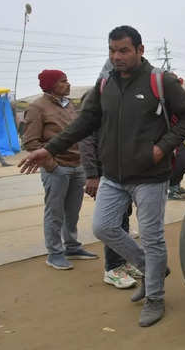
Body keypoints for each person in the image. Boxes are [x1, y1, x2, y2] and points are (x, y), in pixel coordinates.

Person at [19, 25, 185, 327]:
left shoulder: (160, 81)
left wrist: (161, 148)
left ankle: (154, 296)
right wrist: (49, 149)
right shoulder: (103, 86)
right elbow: (83, 124)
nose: (117, 56)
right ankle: (151, 267)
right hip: (114, 176)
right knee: (102, 227)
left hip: (150, 175)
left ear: (140, 50)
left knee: (152, 237)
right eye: (112, 50)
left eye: (124, 50)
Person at [22, 69, 98, 271]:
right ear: (51, 85)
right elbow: (30, 142)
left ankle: (72, 247)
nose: (68, 84)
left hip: (77, 166)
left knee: (72, 212)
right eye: (63, 81)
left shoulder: (69, 105)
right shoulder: (37, 108)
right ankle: (54, 253)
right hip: (57, 168)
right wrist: (51, 166)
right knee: (54, 213)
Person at [79, 90, 139, 289]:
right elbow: (86, 147)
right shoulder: (92, 119)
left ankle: (124, 262)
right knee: (111, 223)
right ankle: (112, 269)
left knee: (123, 219)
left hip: (123, 175)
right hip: (106, 176)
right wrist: (92, 176)